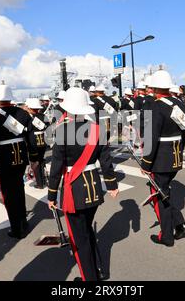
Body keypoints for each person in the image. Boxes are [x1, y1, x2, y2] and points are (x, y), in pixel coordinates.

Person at [47, 87, 119, 281]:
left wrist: (52, 195)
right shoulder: (98, 129)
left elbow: (56, 167)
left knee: (80, 240)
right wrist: (112, 185)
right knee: (86, 231)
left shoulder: (62, 131)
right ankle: (97, 270)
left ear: (68, 109)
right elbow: (106, 161)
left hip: (74, 189)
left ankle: (90, 278)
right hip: (94, 187)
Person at [140, 69, 185, 247]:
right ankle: (179, 225)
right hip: (175, 154)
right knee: (165, 192)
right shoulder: (179, 103)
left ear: (153, 88)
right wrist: (180, 149)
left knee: (159, 197)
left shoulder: (156, 105)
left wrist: (146, 163)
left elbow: (151, 137)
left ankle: (166, 235)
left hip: (161, 158)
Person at [0, 84, 37, 239]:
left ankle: (16, 228)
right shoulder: (23, 113)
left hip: (5, 156)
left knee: (9, 193)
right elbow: (30, 138)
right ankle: (23, 223)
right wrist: (33, 157)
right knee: (19, 189)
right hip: (20, 155)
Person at [26, 98, 49, 189]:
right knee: (41, 160)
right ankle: (44, 179)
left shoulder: (30, 118)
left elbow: (28, 130)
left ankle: (39, 183)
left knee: (35, 162)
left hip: (34, 142)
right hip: (43, 141)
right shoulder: (43, 116)